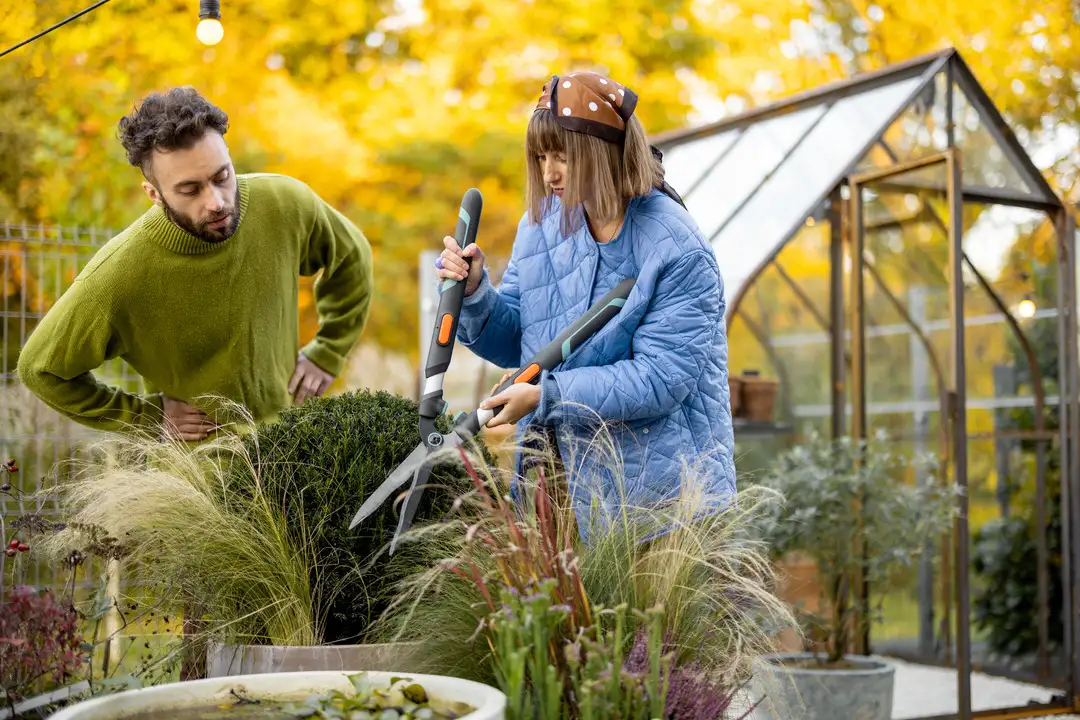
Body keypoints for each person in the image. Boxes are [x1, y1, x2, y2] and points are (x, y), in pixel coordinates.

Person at [435, 70, 736, 539]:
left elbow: (661, 378)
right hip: (556, 487)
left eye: (563, 156)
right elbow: (522, 340)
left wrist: (546, 396)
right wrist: (475, 293)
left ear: (602, 151)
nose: (549, 173)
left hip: (660, 507)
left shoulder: (676, 246)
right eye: (540, 157)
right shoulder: (541, 226)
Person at [17, 87, 374, 442]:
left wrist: (328, 351)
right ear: (154, 195)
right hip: (201, 476)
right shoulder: (120, 274)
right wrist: (148, 417)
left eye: (222, 176)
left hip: (293, 443)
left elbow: (352, 254)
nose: (217, 202)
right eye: (190, 190)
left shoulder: (283, 203)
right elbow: (40, 369)